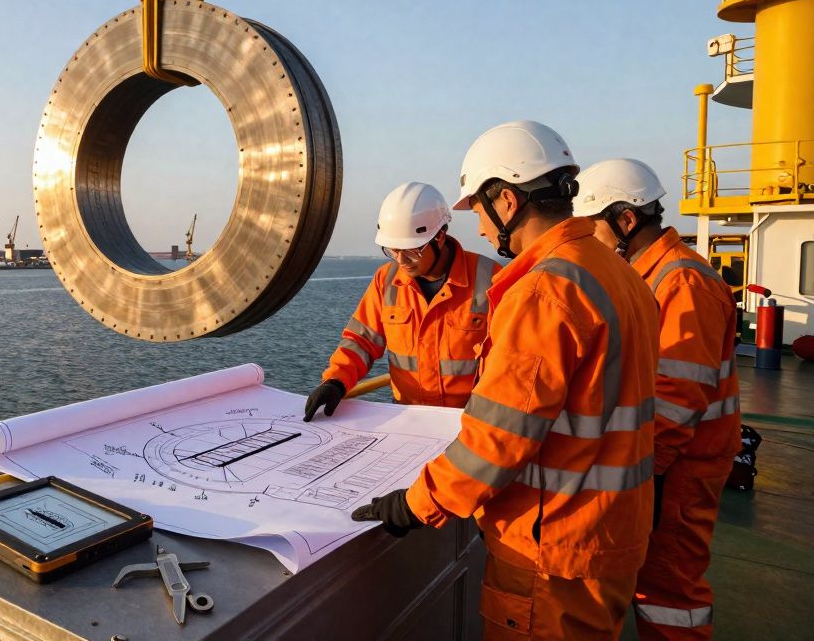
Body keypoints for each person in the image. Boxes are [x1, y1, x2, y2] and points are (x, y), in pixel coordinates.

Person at [352, 121, 660, 639]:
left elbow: (497, 441)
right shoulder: (618, 272)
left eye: (478, 210)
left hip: (552, 546)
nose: (478, 229)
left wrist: (414, 505)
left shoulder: (545, 291)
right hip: (611, 531)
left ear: (508, 202)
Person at [573, 158, 741, 640]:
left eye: (593, 227)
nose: (589, 240)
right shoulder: (651, 274)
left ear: (626, 220)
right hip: (664, 457)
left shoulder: (683, 282)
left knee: (668, 589)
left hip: (681, 463)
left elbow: (676, 396)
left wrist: (647, 473)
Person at [304, 182, 499, 420]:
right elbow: (362, 341)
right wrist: (336, 381)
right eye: (393, 250)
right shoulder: (386, 280)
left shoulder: (491, 279)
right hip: (409, 418)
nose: (401, 260)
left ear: (440, 236)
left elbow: (510, 360)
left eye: (410, 250)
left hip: (470, 421)